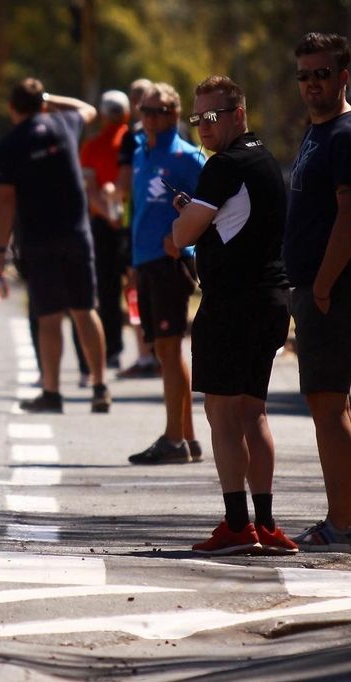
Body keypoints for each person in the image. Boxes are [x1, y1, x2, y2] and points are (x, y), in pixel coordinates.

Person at [172, 76, 297, 555]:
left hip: (231, 303)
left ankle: (236, 525)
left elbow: (182, 234)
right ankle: (266, 524)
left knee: (221, 412)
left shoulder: (223, 166)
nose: (204, 127)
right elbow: (232, 223)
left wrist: (186, 219)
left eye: (213, 116)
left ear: (238, 114)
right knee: (252, 411)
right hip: (271, 300)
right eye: (197, 118)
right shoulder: (266, 161)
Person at [0, 77, 111, 414]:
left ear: (13, 108)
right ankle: (100, 387)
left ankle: (52, 393)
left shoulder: (10, 144)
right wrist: (50, 98)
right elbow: (88, 110)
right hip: (77, 233)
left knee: (49, 318)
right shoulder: (65, 122)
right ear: (41, 105)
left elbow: (5, 200)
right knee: (85, 311)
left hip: (39, 240)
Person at [284, 32, 351, 552]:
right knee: (328, 406)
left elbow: (349, 217)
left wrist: (324, 286)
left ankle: (342, 523)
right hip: (313, 290)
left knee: (329, 408)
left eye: (322, 74)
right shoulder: (317, 132)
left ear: (343, 76)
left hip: (333, 291)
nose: (312, 83)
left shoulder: (344, 135)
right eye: (304, 75)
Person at [126, 82, 205, 465]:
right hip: (144, 260)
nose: (149, 117)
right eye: (145, 110)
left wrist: (185, 246)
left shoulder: (187, 157)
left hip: (170, 263)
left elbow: (211, 208)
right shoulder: (141, 152)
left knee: (171, 350)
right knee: (164, 351)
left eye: (157, 111)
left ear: (174, 114)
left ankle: (174, 438)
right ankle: (186, 437)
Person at [79, 89, 130, 372]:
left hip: (110, 221)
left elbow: (90, 189)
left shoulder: (112, 143)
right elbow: (90, 187)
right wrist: (110, 213)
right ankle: (114, 348)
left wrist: (106, 212)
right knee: (112, 288)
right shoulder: (100, 145)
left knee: (109, 288)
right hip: (116, 221)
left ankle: (114, 347)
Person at [116, 78, 161, 379]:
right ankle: (153, 351)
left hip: (138, 222)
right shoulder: (176, 132)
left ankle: (147, 354)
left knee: (135, 289)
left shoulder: (132, 138)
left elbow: (123, 185)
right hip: (161, 222)